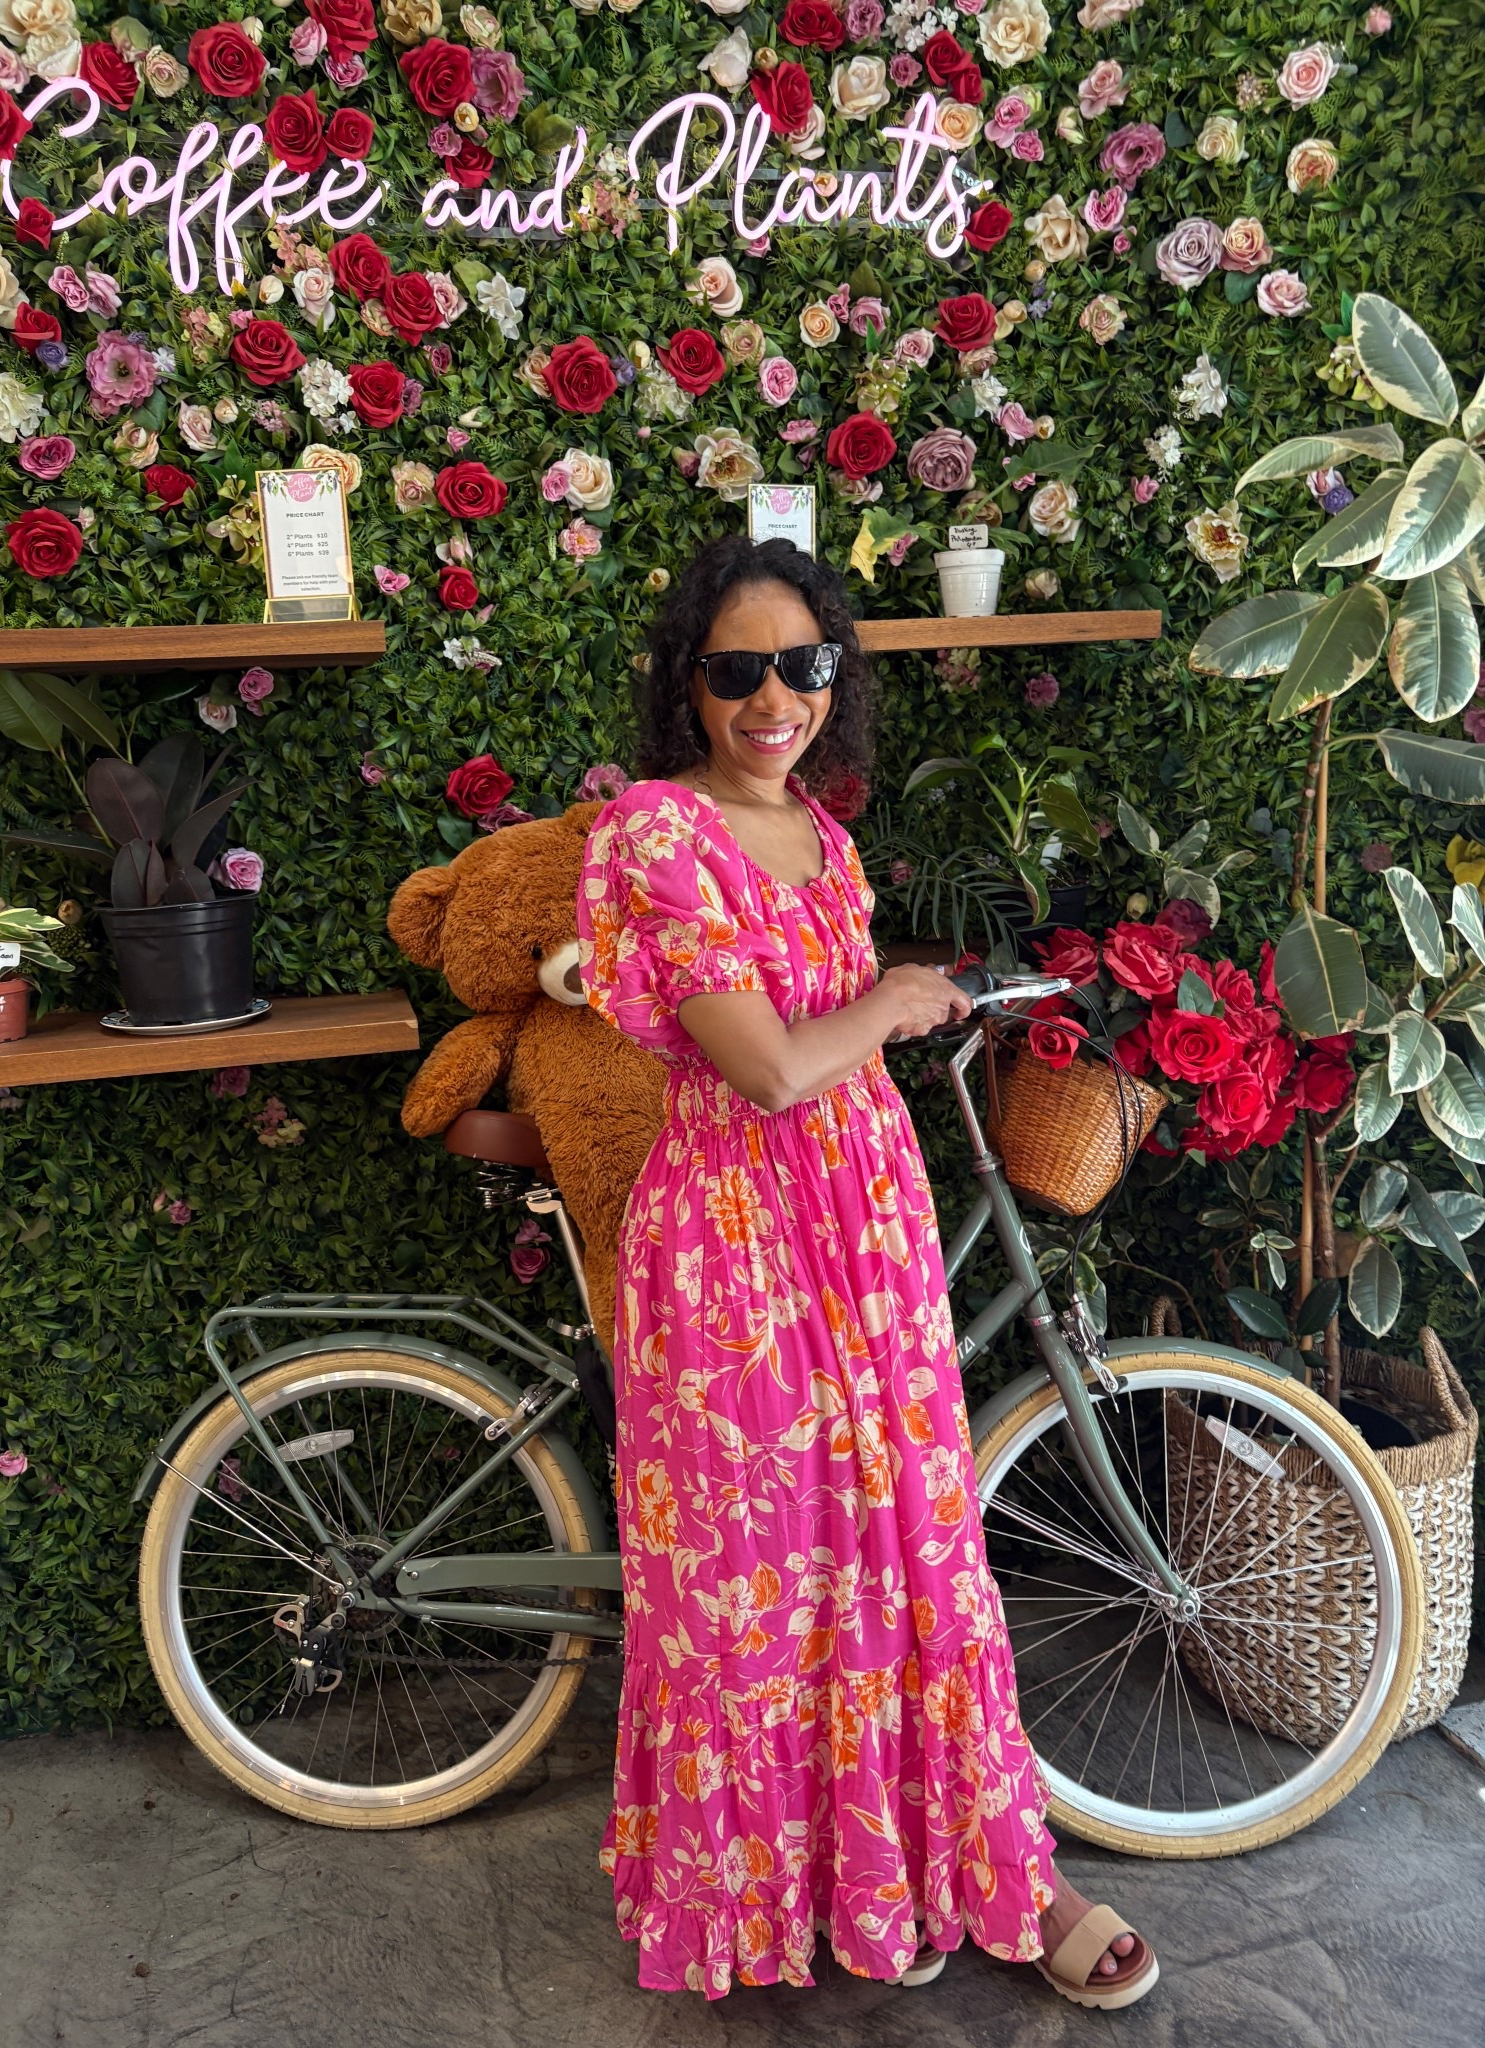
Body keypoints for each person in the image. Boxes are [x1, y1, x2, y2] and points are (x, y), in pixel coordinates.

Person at [575, 536, 1157, 2009]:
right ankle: (760, 1905)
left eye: (804, 665)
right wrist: (896, 995)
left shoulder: (825, 837)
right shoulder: (652, 834)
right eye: (737, 670)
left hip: (866, 1231)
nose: (774, 699)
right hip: (733, 1256)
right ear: (688, 686)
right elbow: (767, 1070)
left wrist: (913, 1009)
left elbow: (833, 1039)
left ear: (838, 673)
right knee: (753, 1593)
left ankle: (990, 1875)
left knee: (909, 1565)